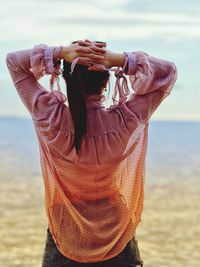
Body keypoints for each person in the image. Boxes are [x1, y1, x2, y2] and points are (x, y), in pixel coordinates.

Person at [6, 39, 177, 267]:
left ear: (67, 78)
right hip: (115, 230)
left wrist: (60, 52)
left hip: (66, 232)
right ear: (106, 81)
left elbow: (14, 63)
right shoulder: (124, 121)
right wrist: (119, 59)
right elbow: (168, 73)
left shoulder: (50, 117)